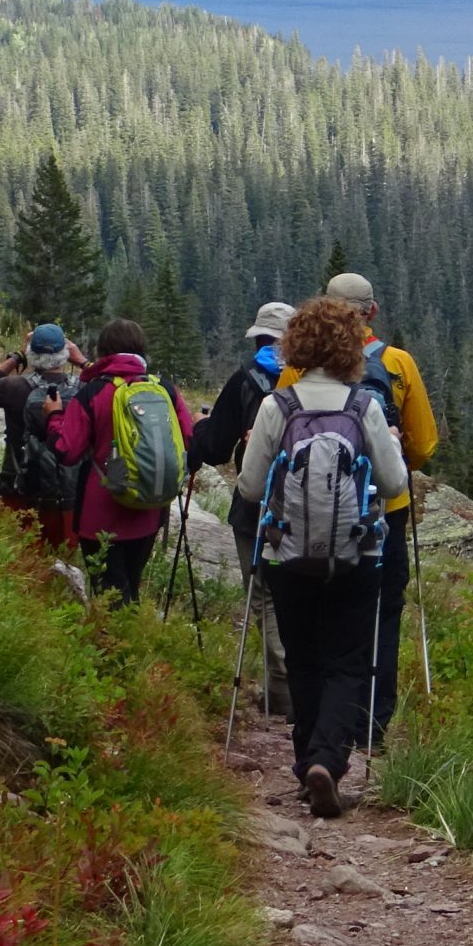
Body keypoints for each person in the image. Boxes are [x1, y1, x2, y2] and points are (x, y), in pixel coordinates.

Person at [239, 296, 407, 818]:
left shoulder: (278, 406)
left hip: (288, 554)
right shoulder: (364, 407)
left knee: (303, 656)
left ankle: (307, 759)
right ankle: (327, 760)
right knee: (348, 660)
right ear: (349, 348)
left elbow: (248, 487)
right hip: (356, 554)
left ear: (296, 346)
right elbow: (395, 481)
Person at [299, 271, 439, 738]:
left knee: (316, 612)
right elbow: (422, 446)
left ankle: (320, 722)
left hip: (311, 511)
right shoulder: (398, 363)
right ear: (371, 312)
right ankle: (370, 723)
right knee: (382, 613)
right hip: (384, 510)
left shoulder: (298, 366)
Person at [44, 317, 195, 605]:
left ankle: (113, 648)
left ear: (103, 352)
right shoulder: (164, 388)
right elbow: (188, 438)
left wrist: (53, 416)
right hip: (149, 510)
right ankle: (134, 643)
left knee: (108, 597)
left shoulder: (92, 393)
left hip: (100, 516)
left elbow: (67, 451)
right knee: (131, 590)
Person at [190, 300, 296, 709]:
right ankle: (308, 684)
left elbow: (215, 448)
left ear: (260, 339)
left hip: (256, 505)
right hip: (310, 507)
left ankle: (282, 689)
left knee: (264, 595)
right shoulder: (309, 380)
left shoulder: (245, 380)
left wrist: (200, 432)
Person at [0, 324, 84, 548]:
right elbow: (114, 386)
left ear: (31, 353)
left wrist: (17, 356)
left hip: (18, 484)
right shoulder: (82, 390)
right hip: (67, 490)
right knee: (63, 556)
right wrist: (83, 362)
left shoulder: (14, 387)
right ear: (65, 355)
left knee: (19, 555)